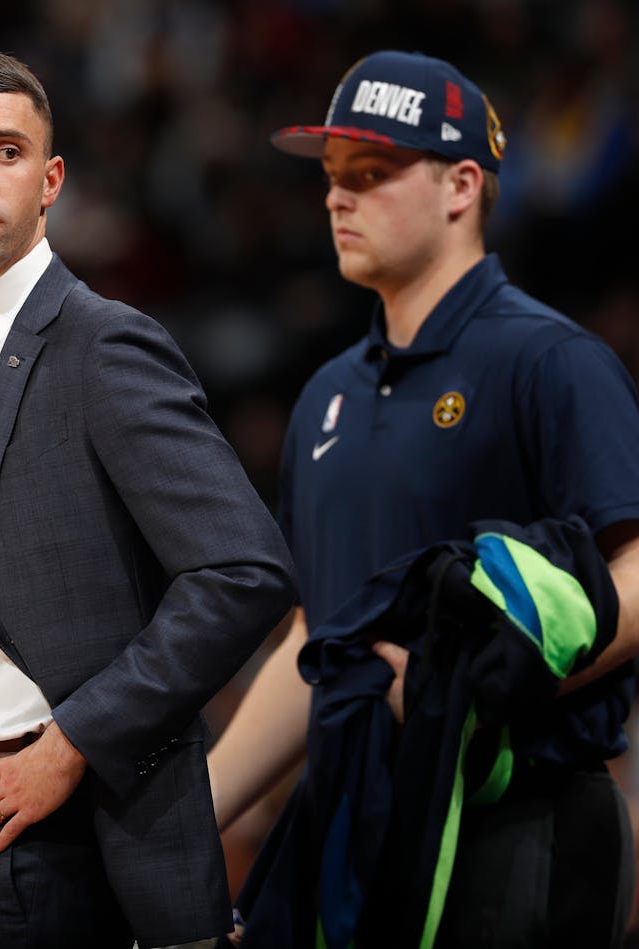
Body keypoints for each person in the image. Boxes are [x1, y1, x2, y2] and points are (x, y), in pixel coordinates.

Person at [0, 48, 296, 949]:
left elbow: (245, 569)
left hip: (32, 838)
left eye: (6, 152)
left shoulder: (103, 345)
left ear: (50, 181)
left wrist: (72, 745)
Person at [207, 50, 639, 945]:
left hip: (519, 815)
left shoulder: (550, 361)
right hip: (363, 815)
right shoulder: (326, 394)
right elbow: (317, 639)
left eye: (371, 173)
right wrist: (197, 809)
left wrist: (468, 684)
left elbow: (637, 573)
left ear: (461, 185)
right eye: (332, 177)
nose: (337, 198)